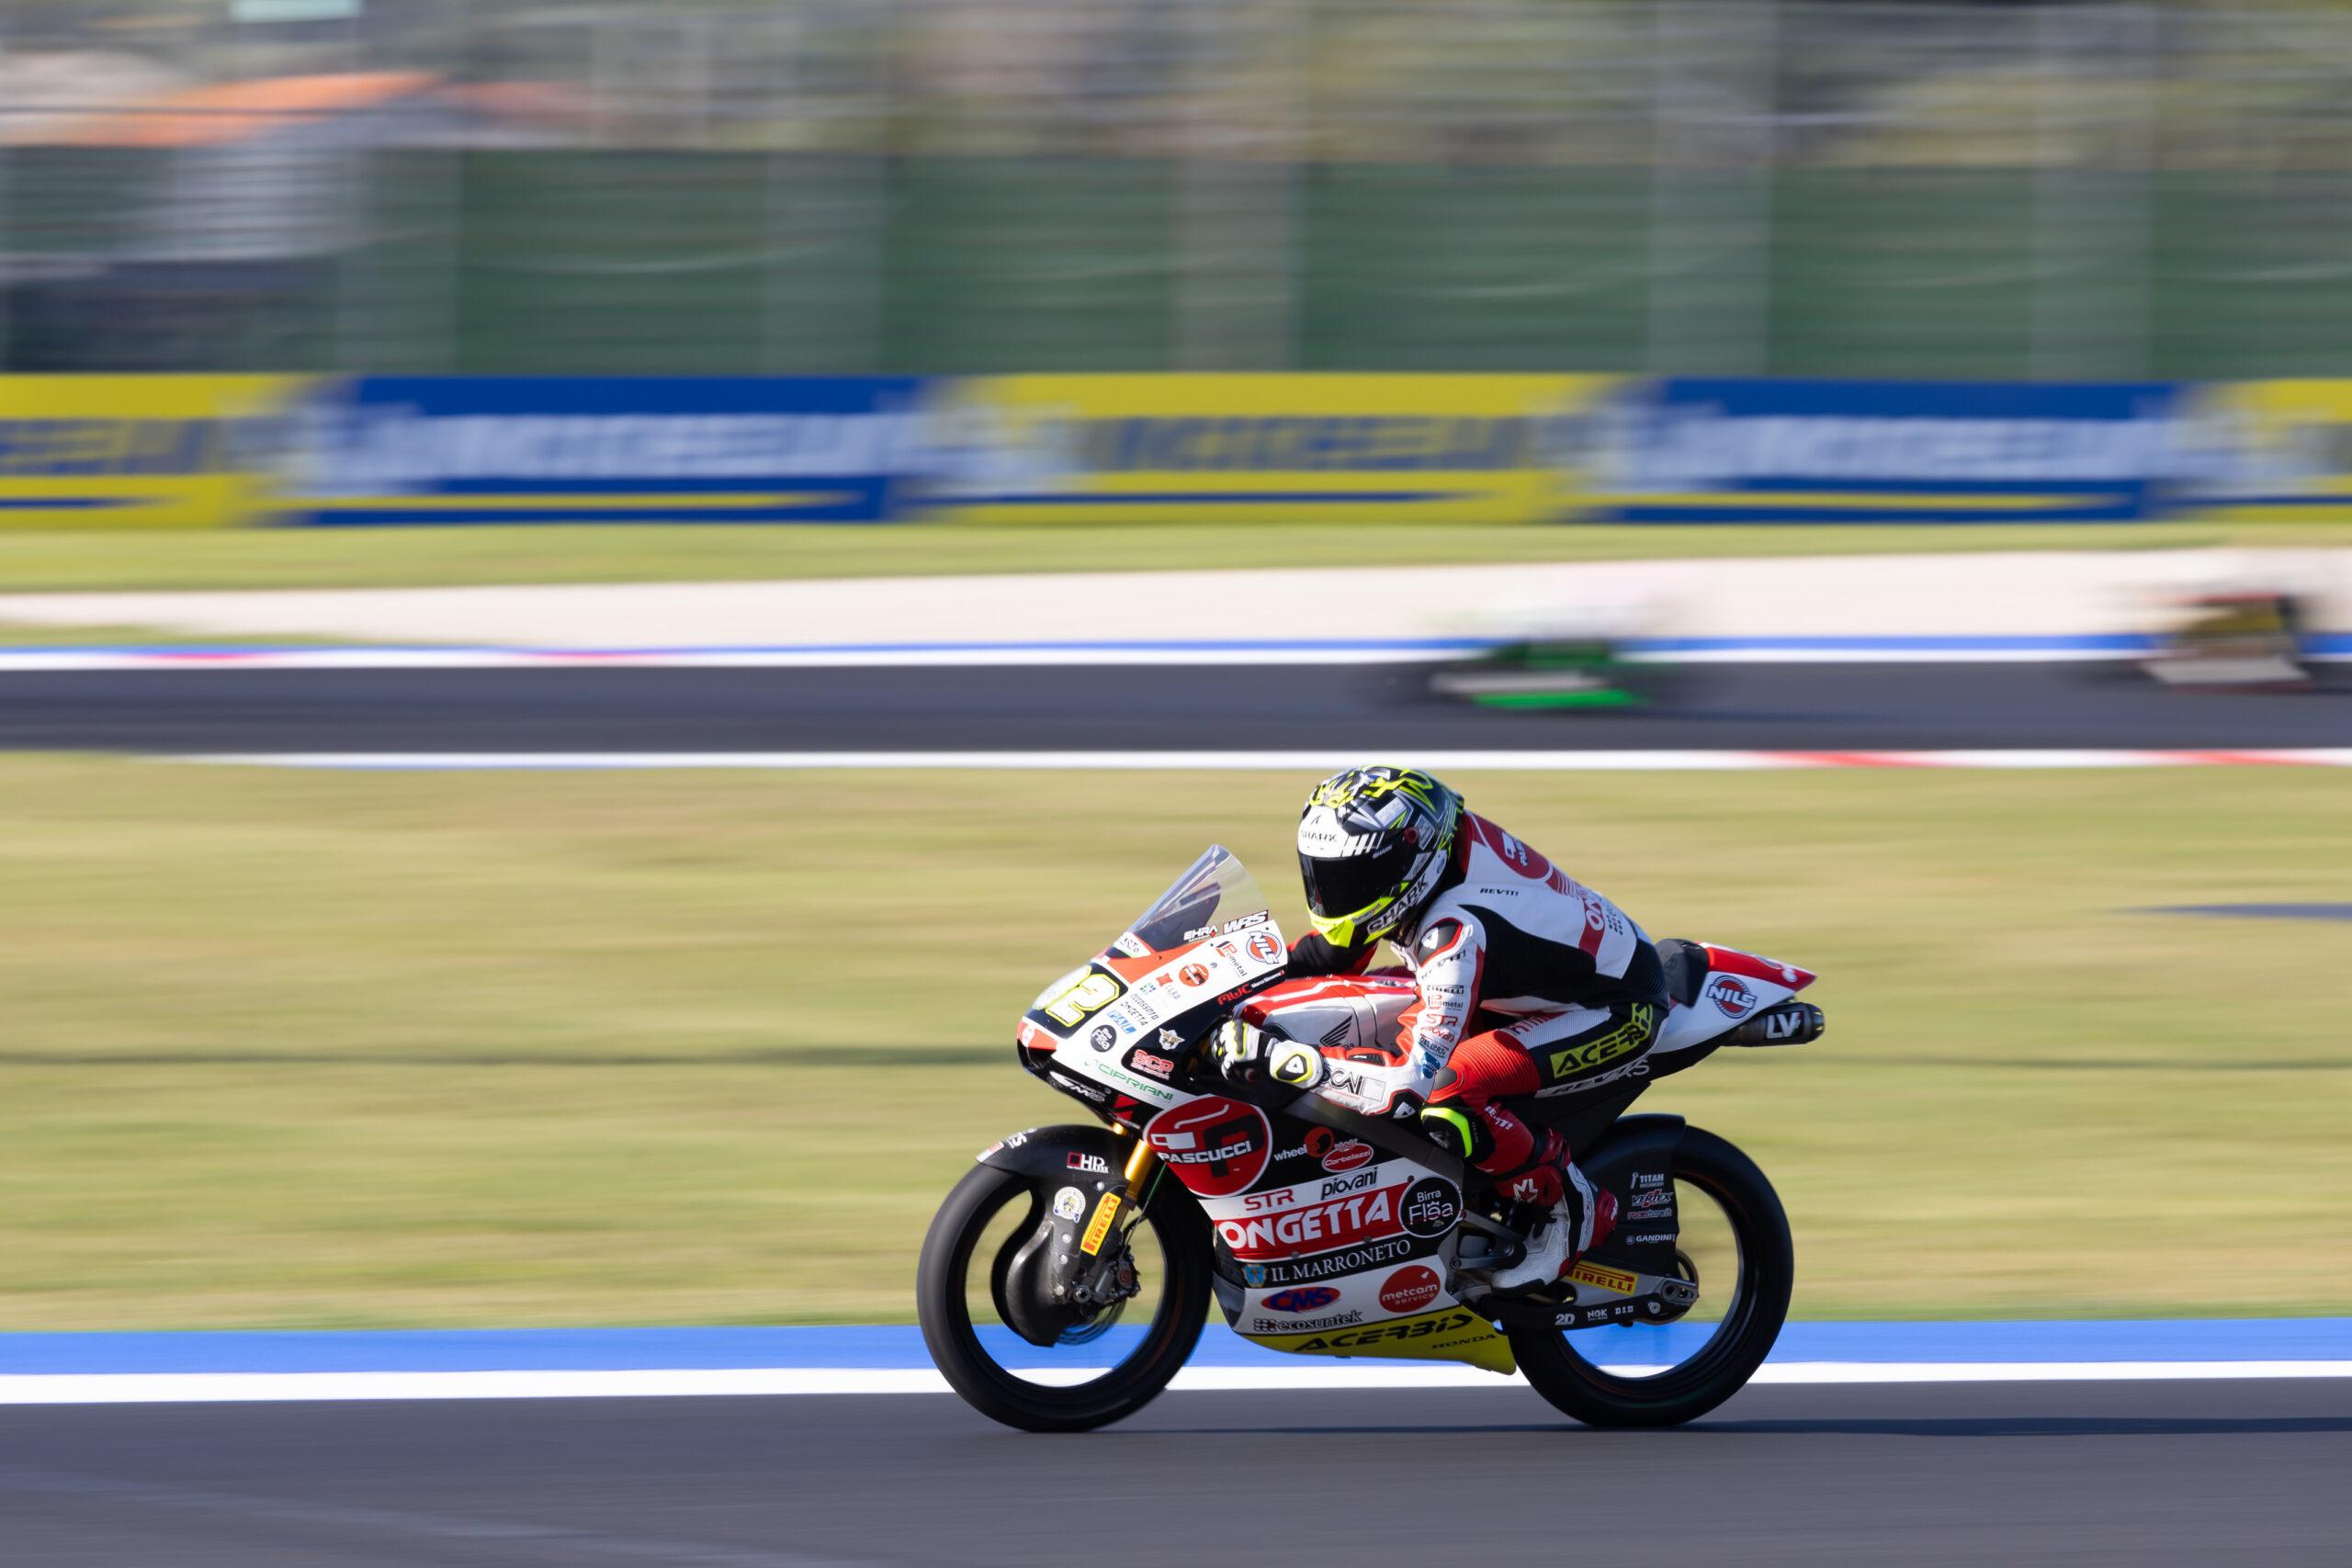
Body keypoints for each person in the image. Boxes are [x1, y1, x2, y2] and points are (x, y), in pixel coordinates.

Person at [1226, 764, 1667, 1292]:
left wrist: (1291, 1064)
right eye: (1324, 877)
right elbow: (1331, 950)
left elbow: (1412, 1082)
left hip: (1614, 1009)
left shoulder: (1453, 930)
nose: (1334, 897)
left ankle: (1572, 1209)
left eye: (1351, 881)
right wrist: (1229, 981)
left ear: (1409, 863)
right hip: (1521, 985)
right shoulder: (1424, 857)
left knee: (1452, 1090)